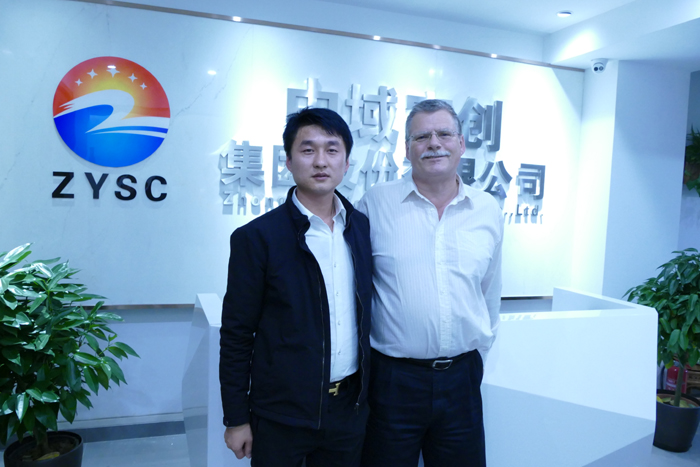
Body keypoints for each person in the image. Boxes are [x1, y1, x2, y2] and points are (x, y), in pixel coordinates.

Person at [219, 107, 372, 467]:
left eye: (332, 149)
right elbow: (237, 333)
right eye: (307, 149)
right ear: (288, 161)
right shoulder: (257, 238)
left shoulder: (361, 228)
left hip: (348, 409)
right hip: (280, 414)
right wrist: (236, 418)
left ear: (347, 162)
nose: (321, 161)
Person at [357, 99, 503, 467]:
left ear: (461, 144)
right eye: (421, 137)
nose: (433, 143)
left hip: (461, 380)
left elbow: (489, 292)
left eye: (444, 134)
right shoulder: (375, 204)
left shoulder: (487, 209)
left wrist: (477, 358)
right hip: (393, 381)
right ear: (406, 149)